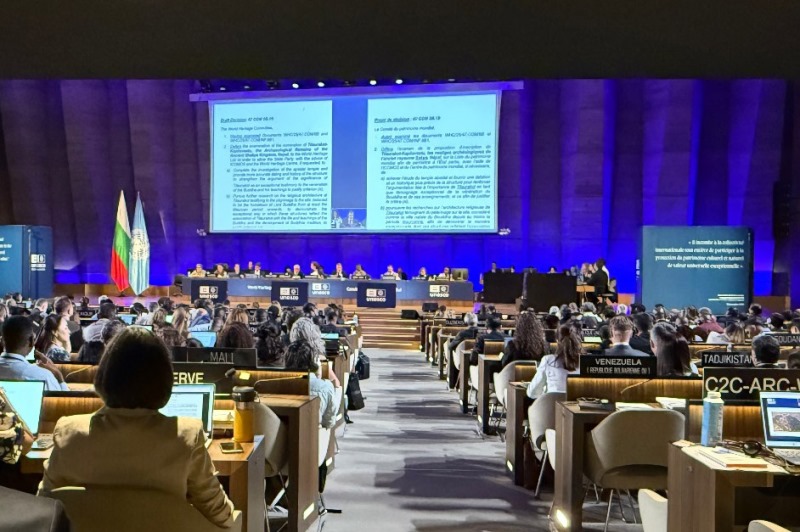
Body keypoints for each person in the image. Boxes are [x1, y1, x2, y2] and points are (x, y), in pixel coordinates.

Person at [37, 327, 235, 527]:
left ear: (106, 375)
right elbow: (222, 516)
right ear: (164, 380)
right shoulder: (187, 435)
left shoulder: (68, 432)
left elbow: (44, 507)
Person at [0, 316, 68, 391]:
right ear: (31, 341)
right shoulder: (43, 376)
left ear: (2, 341)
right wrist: (59, 376)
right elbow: (62, 397)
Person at [285, 340, 339, 428]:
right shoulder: (326, 386)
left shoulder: (277, 383)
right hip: (314, 433)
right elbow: (329, 422)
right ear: (313, 361)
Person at [527, 325, 581, 399]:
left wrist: (545, 393)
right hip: (575, 404)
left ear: (557, 341)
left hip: (549, 404)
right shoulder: (584, 362)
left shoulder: (548, 360)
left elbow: (532, 392)